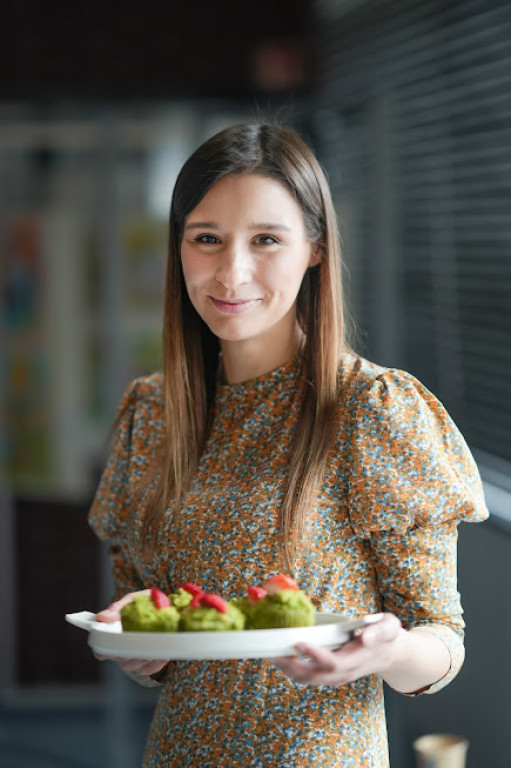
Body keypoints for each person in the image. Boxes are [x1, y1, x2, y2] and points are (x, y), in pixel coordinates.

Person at [89, 123, 488, 767]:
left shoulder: (373, 410)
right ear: (179, 249)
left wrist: (389, 651)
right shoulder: (154, 412)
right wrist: (142, 641)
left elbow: (440, 645)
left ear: (315, 250)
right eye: (206, 239)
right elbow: (150, 641)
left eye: (266, 240)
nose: (232, 271)